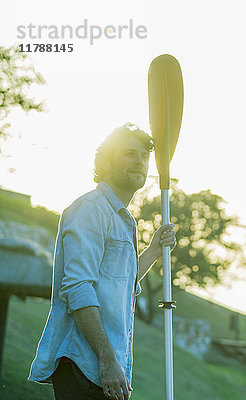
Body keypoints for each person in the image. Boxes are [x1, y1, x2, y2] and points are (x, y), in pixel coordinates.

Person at [28, 123, 177, 400]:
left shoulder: (123, 219)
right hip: (85, 364)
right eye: (129, 153)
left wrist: (153, 251)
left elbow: (120, 284)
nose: (140, 161)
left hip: (106, 368)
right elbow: (78, 288)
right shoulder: (90, 210)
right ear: (106, 162)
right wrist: (107, 359)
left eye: (144, 155)